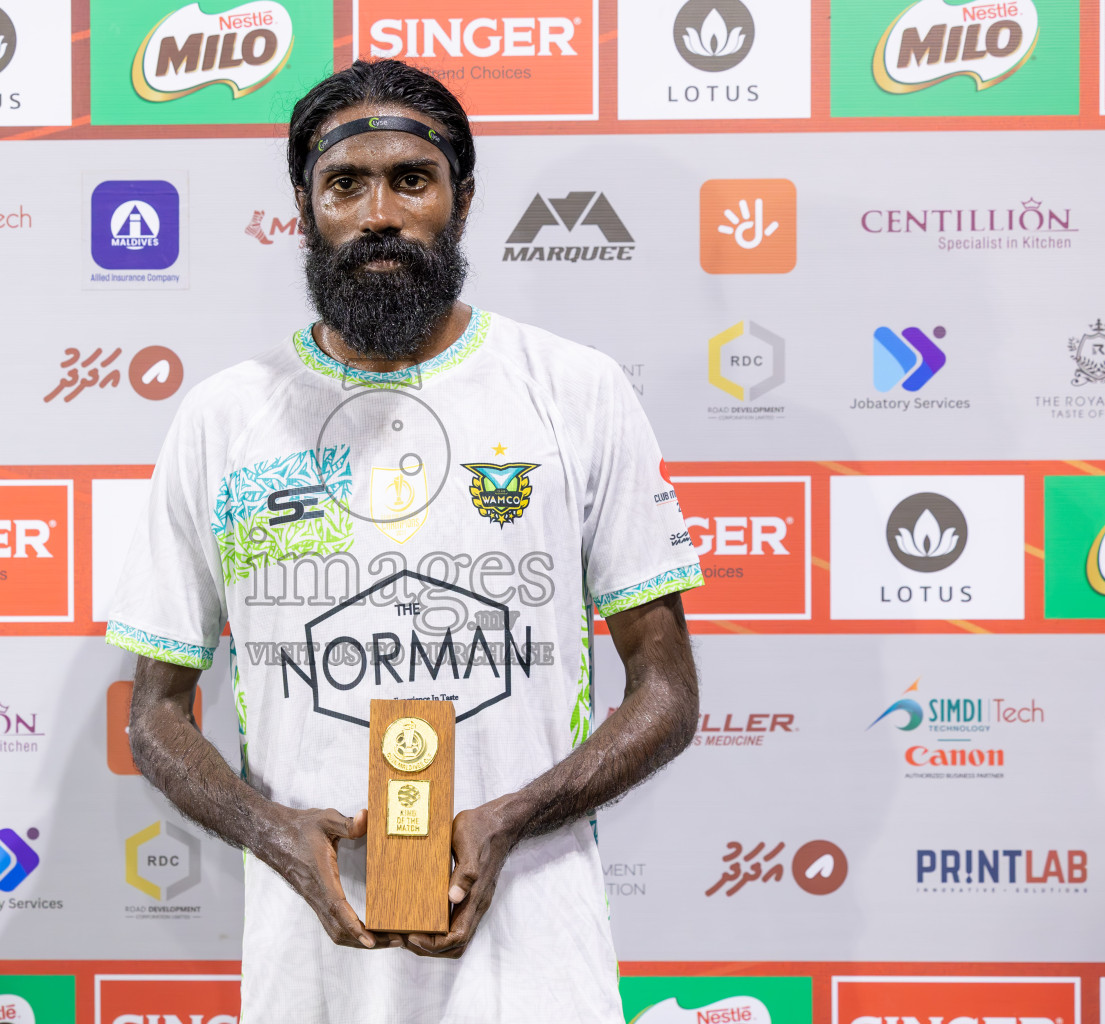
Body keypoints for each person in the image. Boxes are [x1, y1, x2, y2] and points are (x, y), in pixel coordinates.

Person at [107, 59, 703, 1024]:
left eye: (411, 180)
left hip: (539, 972)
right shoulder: (224, 419)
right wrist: (269, 828)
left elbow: (668, 691)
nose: (379, 212)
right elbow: (155, 715)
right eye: (346, 184)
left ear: (460, 201)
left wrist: (511, 821)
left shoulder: (575, 391)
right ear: (305, 207)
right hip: (310, 982)